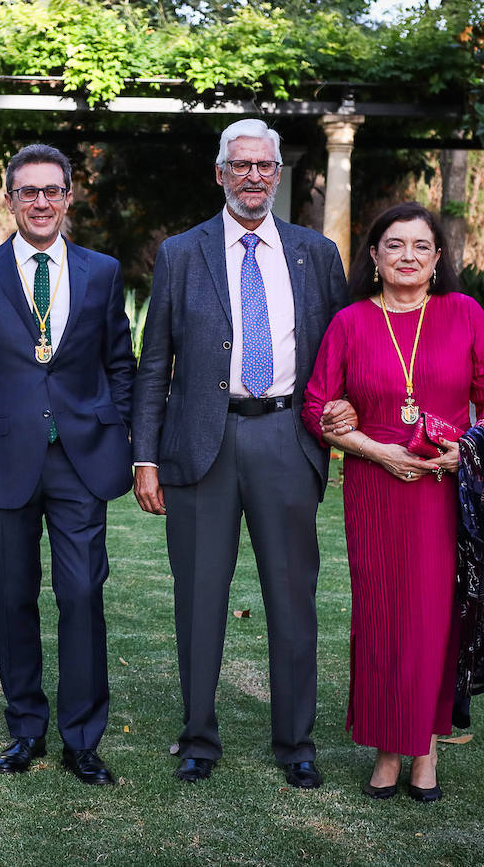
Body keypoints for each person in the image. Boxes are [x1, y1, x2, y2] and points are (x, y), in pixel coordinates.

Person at [131, 118, 352, 788]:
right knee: (199, 600)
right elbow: (153, 364)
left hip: (288, 439)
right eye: (240, 164)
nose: (253, 175)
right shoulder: (180, 253)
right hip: (201, 444)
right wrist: (145, 456)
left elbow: (342, 355)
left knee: (293, 600)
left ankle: (296, 743)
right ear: (219, 173)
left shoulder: (317, 253)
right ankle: (199, 737)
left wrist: (346, 426)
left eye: (264, 165)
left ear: (278, 174)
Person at [302, 202, 484, 803]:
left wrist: (468, 450)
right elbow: (318, 407)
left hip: (443, 492)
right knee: (380, 617)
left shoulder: (464, 314)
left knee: (429, 621)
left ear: (438, 258)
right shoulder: (349, 323)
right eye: (394, 246)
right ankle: (384, 748)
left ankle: (422, 750)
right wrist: (375, 449)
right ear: (373, 257)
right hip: (375, 490)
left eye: (421, 247)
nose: (407, 257)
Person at [0, 143, 135, 786]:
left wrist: (125, 438)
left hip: (80, 458)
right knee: (12, 595)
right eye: (28, 191)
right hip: (2, 459)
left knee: (82, 595)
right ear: (10, 200)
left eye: (52, 190)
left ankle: (82, 739)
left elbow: (120, 362)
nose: (41, 202)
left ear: (67, 196)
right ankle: (26, 728)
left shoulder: (101, 270)